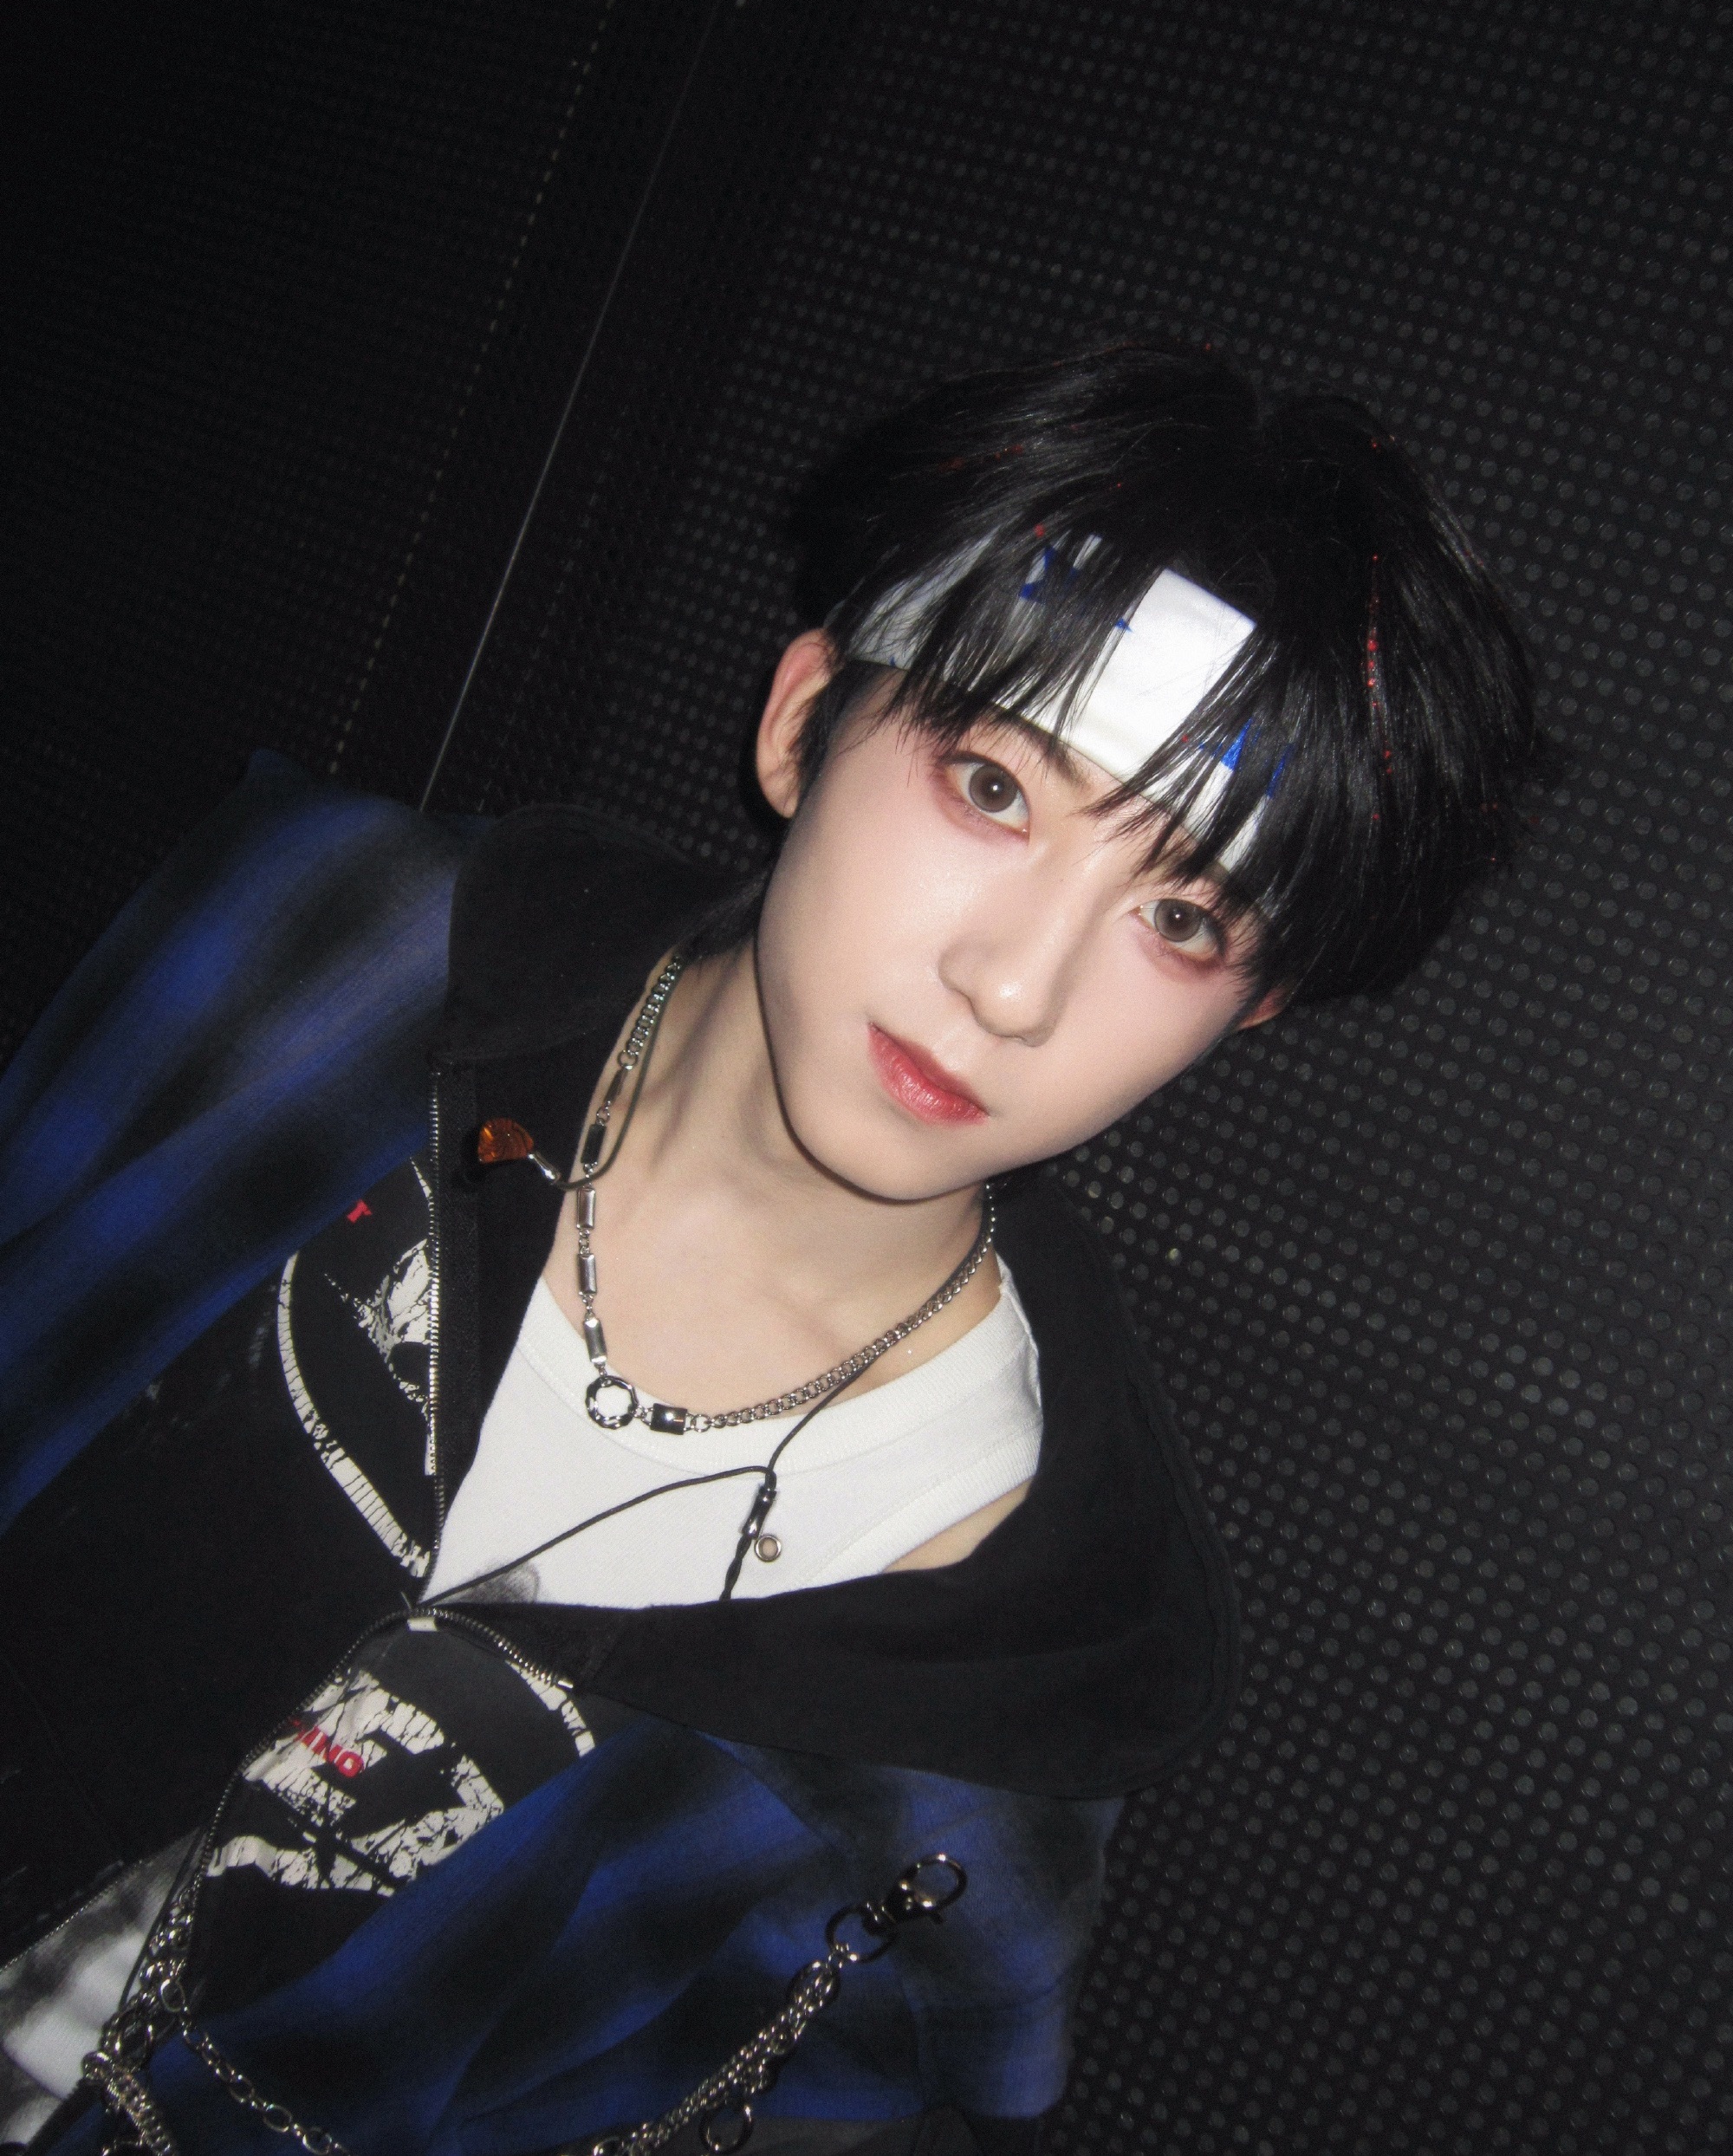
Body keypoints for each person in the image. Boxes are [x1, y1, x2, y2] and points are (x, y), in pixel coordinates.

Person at [0, 342, 1542, 2156]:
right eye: (993, 787)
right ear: (806, 718)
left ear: (1253, 1006)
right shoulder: (331, 961)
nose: (1015, 984)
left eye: (1186, 915)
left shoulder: (993, 1727)